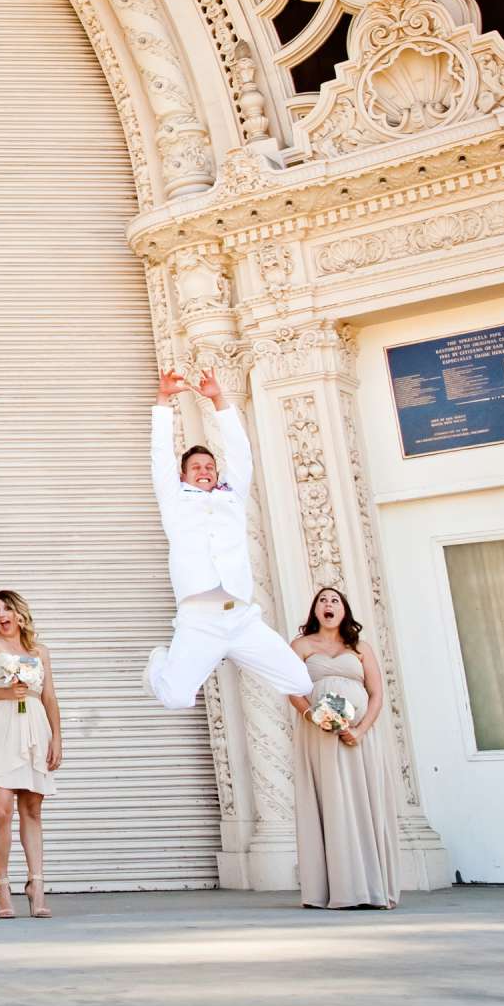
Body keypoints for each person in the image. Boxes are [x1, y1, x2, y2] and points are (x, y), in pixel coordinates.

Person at [142, 370, 313, 710]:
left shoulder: (232, 496)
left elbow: (241, 454)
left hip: (241, 617)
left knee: (301, 681)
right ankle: (161, 662)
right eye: (196, 467)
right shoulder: (174, 500)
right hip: (199, 620)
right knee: (176, 698)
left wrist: (219, 400)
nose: (204, 470)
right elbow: (160, 455)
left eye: (209, 465)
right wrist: (163, 401)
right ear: (183, 475)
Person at [289, 586, 399, 910]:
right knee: (332, 802)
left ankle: (369, 888)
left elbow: (376, 694)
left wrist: (360, 730)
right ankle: (335, 888)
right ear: (315, 611)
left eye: (335, 600)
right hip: (319, 735)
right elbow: (292, 688)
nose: (328, 604)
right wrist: (312, 715)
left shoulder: (360, 648)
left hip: (358, 738)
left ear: (344, 610)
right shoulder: (302, 646)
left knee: (362, 801)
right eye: (322, 600)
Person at [0, 589, 61, 918]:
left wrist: (57, 738)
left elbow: (48, 697)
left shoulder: (39, 651)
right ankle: (2, 886)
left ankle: (37, 884)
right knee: (1, 809)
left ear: (20, 614)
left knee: (32, 809)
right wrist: (6, 691)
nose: (1, 615)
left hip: (33, 727)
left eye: (6, 609)